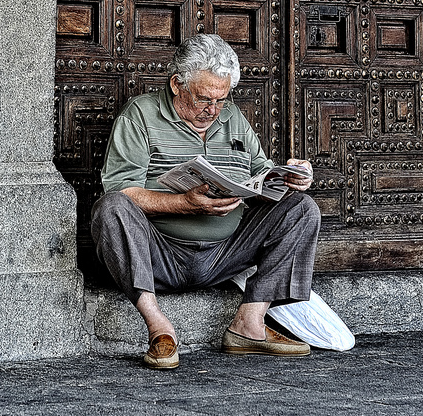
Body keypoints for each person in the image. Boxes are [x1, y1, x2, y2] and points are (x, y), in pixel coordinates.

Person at [91, 33, 320, 369]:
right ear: (175, 84)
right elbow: (122, 190)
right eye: (202, 99)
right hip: (160, 256)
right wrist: (184, 203)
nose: (212, 110)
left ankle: (249, 324)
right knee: (111, 207)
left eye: (221, 100)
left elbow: (263, 171)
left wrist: (293, 176)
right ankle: (159, 328)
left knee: (301, 209)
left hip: (225, 254)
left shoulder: (232, 119)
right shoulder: (139, 116)